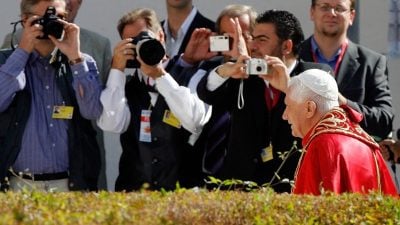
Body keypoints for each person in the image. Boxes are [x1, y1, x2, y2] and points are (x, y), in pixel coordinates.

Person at [197, 10, 331, 193]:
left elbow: (326, 121)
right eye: (251, 38)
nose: (252, 45)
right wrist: (225, 71)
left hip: (293, 190)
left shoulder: (316, 75)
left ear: (286, 46)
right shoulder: (245, 75)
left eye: (261, 39)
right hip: (242, 192)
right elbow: (207, 93)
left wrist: (289, 87)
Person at [96, 8, 210, 191]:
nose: (139, 46)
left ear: (161, 37)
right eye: (132, 43)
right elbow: (111, 124)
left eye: (144, 38)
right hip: (133, 193)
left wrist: (160, 75)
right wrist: (117, 69)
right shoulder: (124, 86)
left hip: (182, 193)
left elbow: (194, 121)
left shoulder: (193, 75)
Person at [0, 0, 102, 192]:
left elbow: (92, 111)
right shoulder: (5, 61)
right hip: (18, 185)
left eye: (59, 17)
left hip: (70, 184)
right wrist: (23, 51)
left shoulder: (82, 61)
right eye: (42, 18)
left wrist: (75, 58)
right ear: (24, 20)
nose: (51, 23)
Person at [265, 68, 398, 195]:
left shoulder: (322, 144)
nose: (284, 115)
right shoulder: (364, 140)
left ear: (310, 109)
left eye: (288, 106)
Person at [299, 0, 393, 141]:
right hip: (300, 158)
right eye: (324, 7)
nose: (331, 14)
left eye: (339, 8)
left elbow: (384, 121)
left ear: (352, 16)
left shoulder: (372, 62)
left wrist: (344, 103)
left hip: (350, 157)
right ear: (312, 12)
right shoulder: (292, 57)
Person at [1, 0, 112, 84]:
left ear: (80, 2)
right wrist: (22, 50)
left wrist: (77, 59)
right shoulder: (18, 37)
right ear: (25, 19)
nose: (67, 2)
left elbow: (99, 106)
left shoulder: (99, 44)